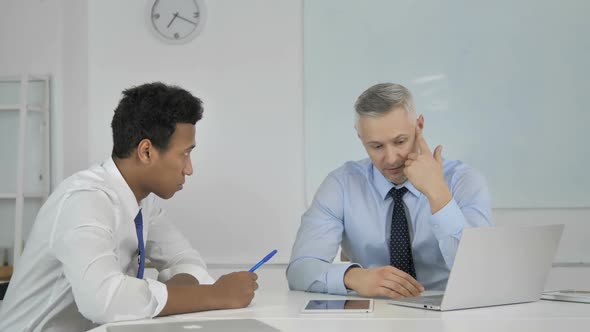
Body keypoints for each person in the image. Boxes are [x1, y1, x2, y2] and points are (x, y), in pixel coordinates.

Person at [0, 82, 258, 332]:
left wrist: (182, 294)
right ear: (146, 152)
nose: (189, 169)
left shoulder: (144, 202)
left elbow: (186, 261)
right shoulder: (84, 199)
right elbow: (103, 300)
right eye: (185, 154)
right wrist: (214, 296)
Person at [287, 82, 492, 299]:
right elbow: (300, 269)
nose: (391, 158)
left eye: (400, 141)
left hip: (450, 308)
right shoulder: (342, 185)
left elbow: (480, 273)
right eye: (376, 146)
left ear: (419, 126)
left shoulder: (463, 181)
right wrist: (355, 277)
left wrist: (437, 192)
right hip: (377, 313)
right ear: (360, 136)